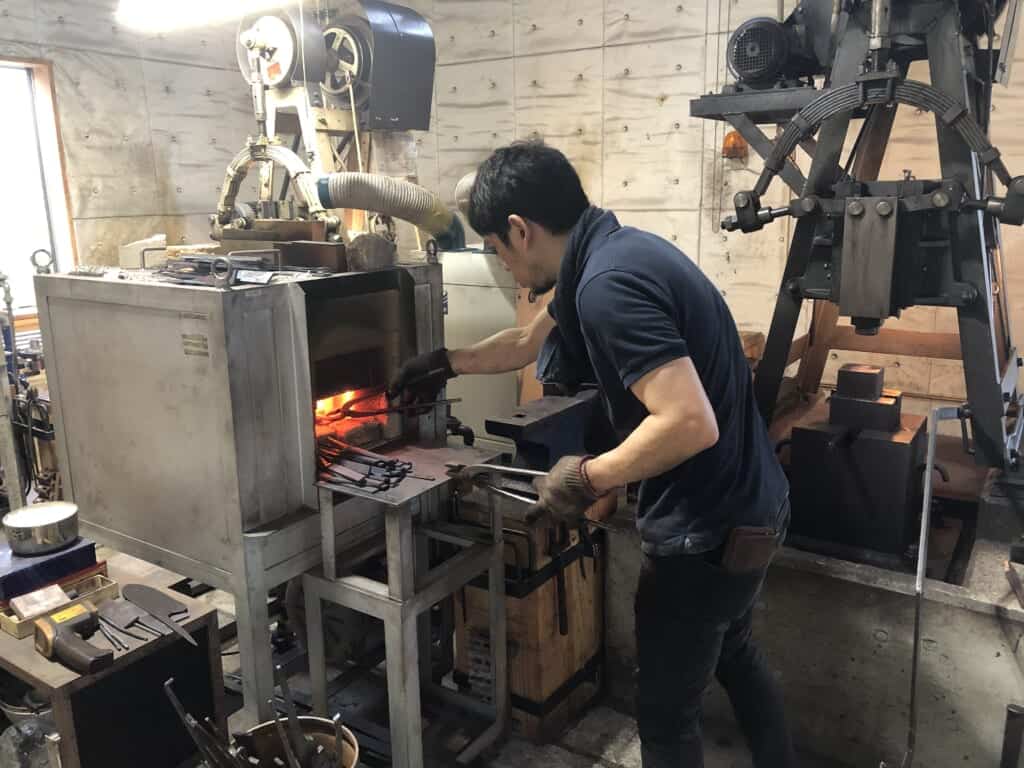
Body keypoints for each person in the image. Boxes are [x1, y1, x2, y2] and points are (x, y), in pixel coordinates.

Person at [390, 141, 794, 767]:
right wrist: (446, 364)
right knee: (735, 652)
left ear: (520, 231)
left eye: (497, 250)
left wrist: (585, 476)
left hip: (705, 534)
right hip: (754, 506)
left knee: (664, 719)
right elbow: (528, 341)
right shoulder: (614, 251)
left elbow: (689, 422)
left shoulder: (606, 286)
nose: (503, 266)